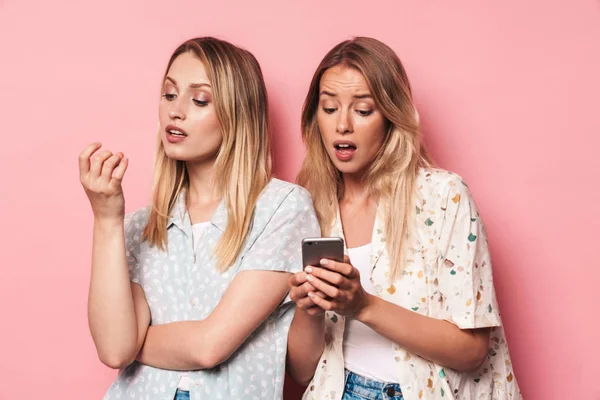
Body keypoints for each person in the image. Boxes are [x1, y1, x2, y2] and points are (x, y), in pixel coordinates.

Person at [78, 36, 319, 400]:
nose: (176, 112)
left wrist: (136, 342)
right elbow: (113, 350)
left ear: (237, 114)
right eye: (169, 94)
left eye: (200, 99)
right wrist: (107, 219)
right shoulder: (141, 226)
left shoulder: (282, 209)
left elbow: (210, 346)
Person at [287, 36, 521, 400]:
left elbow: (473, 351)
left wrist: (363, 305)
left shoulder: (444, 197)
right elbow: (303, 372)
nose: (342, 125)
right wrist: (309, 311)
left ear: (391, 117)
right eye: (329, 108)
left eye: (363, 110)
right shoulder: (307, 207)